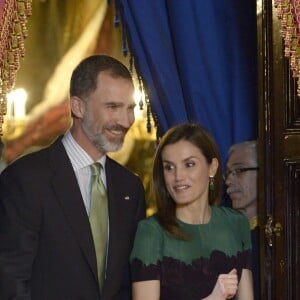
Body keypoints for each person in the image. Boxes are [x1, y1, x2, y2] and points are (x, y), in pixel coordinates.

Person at [0, 54, 146, 300]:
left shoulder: (130, 187)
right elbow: (11, 281)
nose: (126, 120)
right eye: (113, 107)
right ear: (78, 106)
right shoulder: (26, 179)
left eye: (130, 108)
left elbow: (128, 283)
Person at [129, 122, 254, 300]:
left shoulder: (236, 223)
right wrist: (214, 297)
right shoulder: (151, 232)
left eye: (189, 164)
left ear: (212, 167)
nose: (178, 176)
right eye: (169, 167)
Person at [225, 140, 260, 300]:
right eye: (228, 173)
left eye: (239, 170)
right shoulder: (222, 234)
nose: (229, 181)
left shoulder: (280, 235)